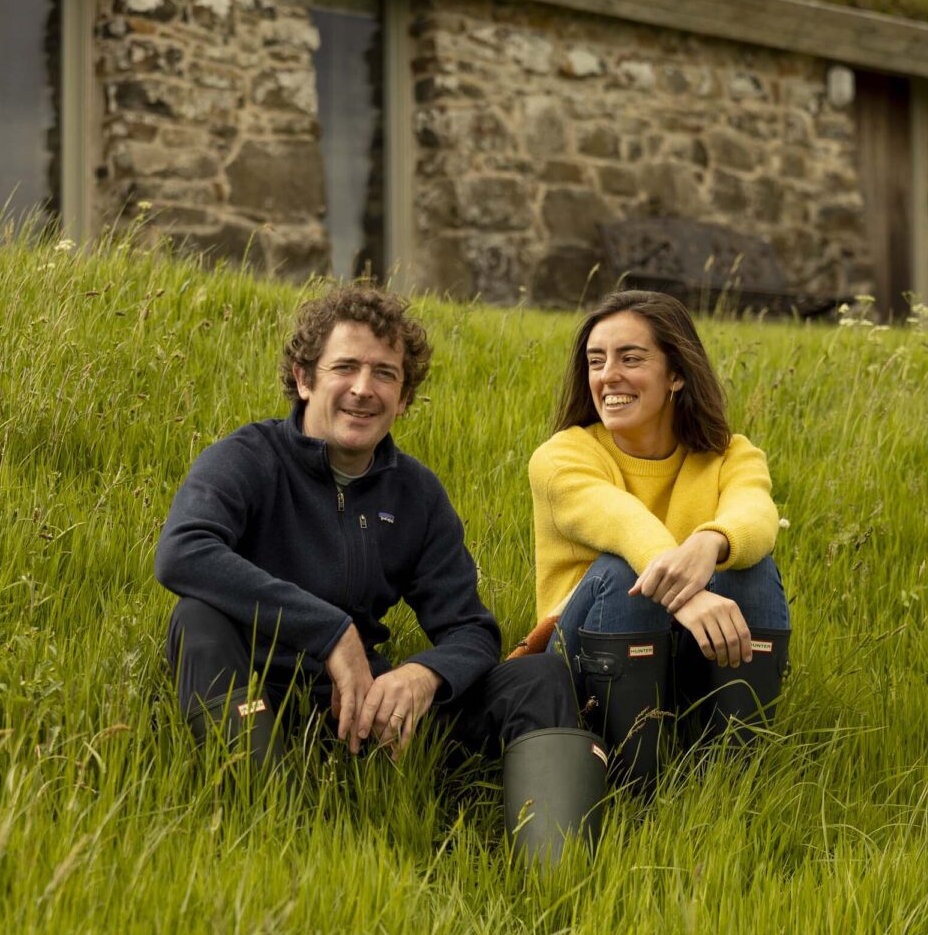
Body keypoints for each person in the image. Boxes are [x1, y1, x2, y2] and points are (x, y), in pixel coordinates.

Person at [156, 283, 604, 863]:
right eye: (345, 367)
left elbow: (471, 629)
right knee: (196, 617)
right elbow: (183, 552)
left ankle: (556, 874)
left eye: (385, 374)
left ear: (405, 396)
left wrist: (424, 676)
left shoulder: (416, 493)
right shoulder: (247, 458)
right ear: (303, 377)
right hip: (261, 691)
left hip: (367, 713)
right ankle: (271, 836)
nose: (364, 389)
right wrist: (330, 631)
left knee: (538, 676)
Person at [525, 290, 791, 787]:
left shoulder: (731, 454)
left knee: (749, 564)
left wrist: (709, 543)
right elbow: (621, 521)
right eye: (596, 361)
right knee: (623, 570)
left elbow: (756, 515)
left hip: (688, 653)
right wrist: (686, 593)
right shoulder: (562, 456)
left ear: (676, 374)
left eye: (631, 358)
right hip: (588, 660)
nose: (609, 376)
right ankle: (632, 787)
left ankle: (729, 785)